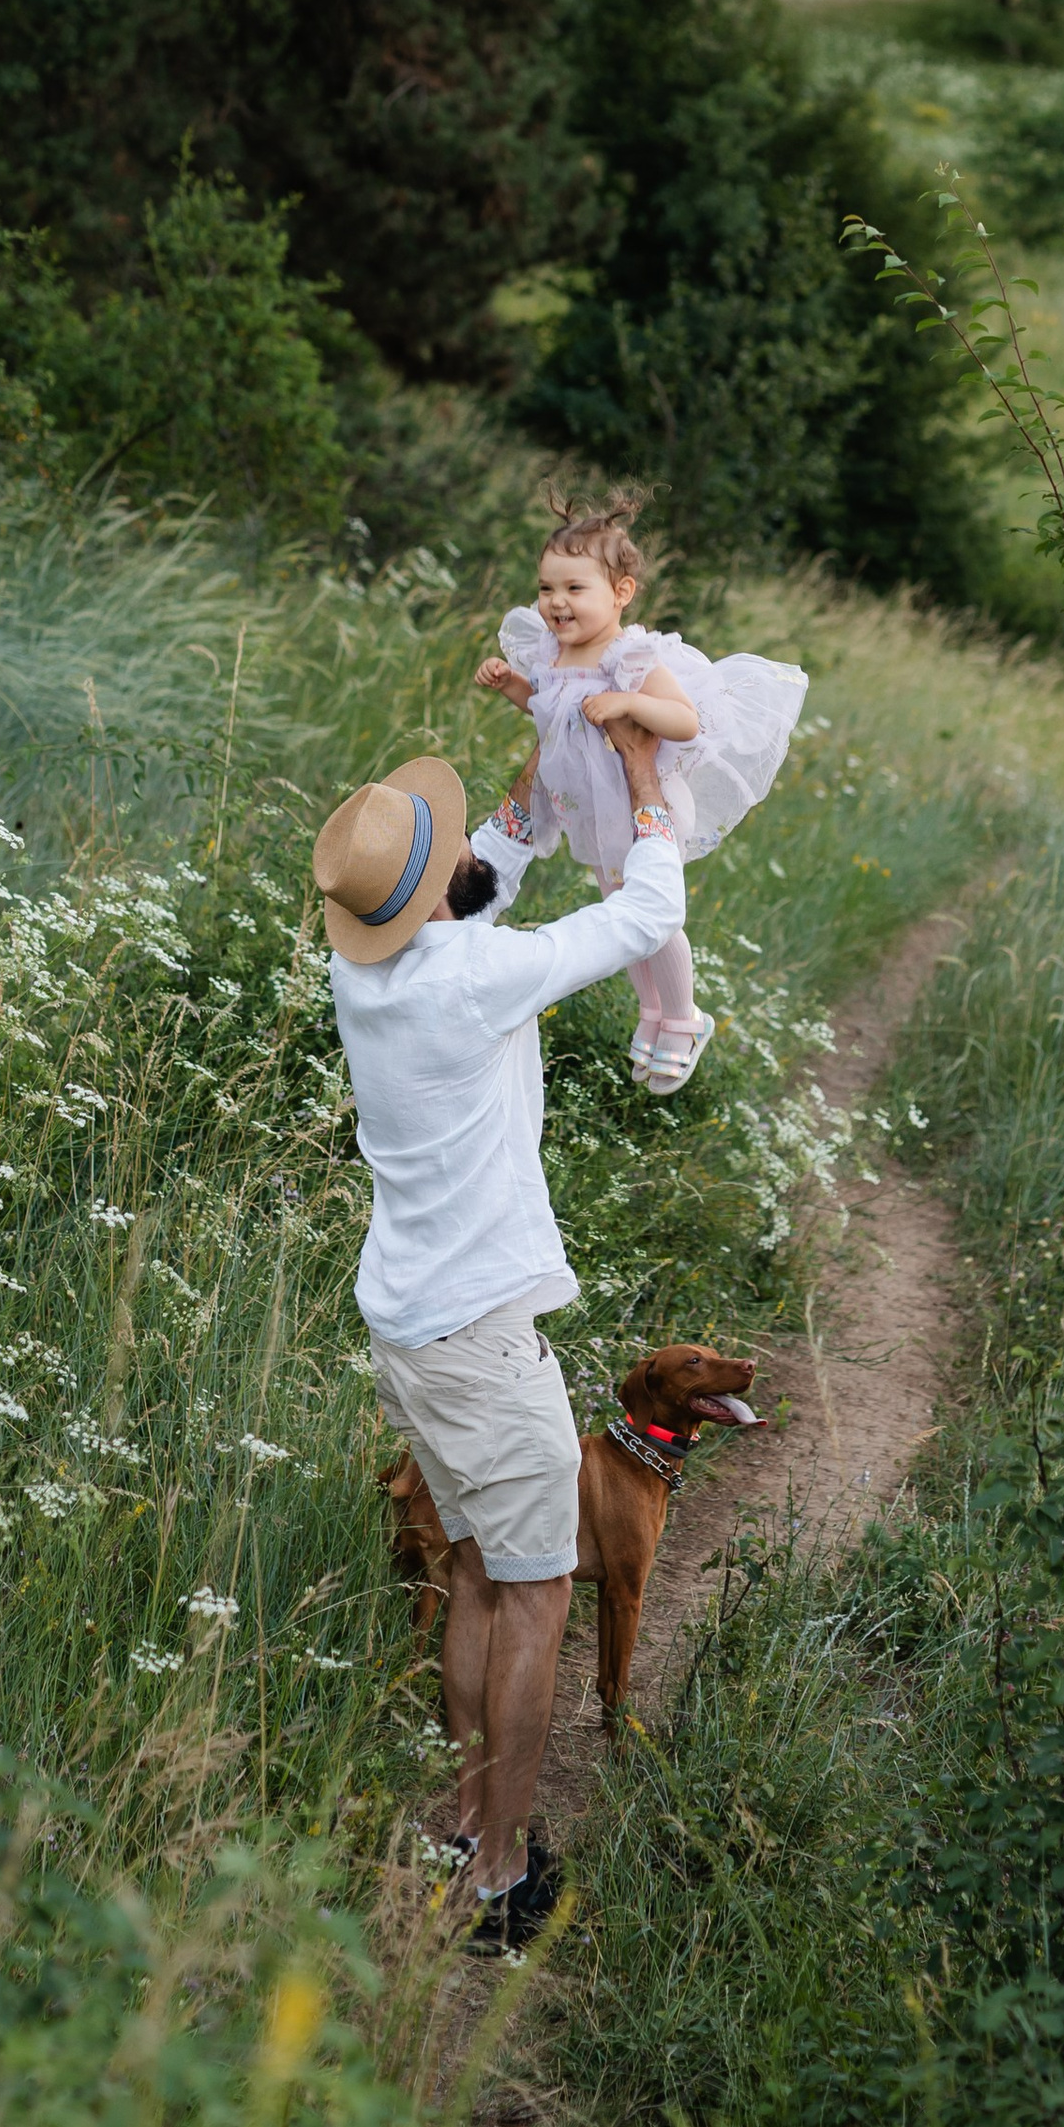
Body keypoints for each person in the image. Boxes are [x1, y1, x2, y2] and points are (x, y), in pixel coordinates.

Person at [315, 718, 688, 1950]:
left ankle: (471, 1826)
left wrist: (542, 768)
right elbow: (638, 922)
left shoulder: (363, 974)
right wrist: (639, 782)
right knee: (533, 1596)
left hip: (411, 1331)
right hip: (478, 1339)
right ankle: (499, 1878)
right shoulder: (472, 976)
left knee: (476, 1571)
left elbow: (477, 874)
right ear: (433, 897)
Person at [474, 484, 807, 1094]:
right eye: (547, 588)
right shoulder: (552, 654)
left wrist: (630, 700)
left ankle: (684, 1018)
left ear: (621, 593)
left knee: (654, 915)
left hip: (644, 806)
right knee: (621, 915)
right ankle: (651, 1012)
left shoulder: (630, 658)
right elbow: (550, 713)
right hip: (594, 812)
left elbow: (685, 721)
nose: (556, 603)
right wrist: (513, 687)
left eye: (575, 589)